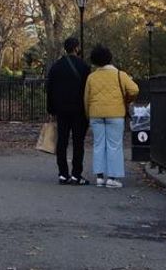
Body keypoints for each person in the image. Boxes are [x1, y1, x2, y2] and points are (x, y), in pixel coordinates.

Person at [83, 45, 139, 188]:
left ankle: (100, 177)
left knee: (98, 145)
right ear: (110, 58)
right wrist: (126, 100)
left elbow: (86, 98)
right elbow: (134, 89)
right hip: (115, 113)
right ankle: (112, 178)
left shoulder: (92, 77)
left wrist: (88, 114)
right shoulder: (120, 75)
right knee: (114, 145)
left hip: (96, 113)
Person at [45, 37, 91, 185]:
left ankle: (63, 173)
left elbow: (49, 89)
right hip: (79, 110)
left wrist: (51, 109)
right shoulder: (83, 66)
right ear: (77, 48)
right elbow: (88, 90)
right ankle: (76, 174)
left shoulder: (56, 66)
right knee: (78, 142)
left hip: (61, 109)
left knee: (62, 141)